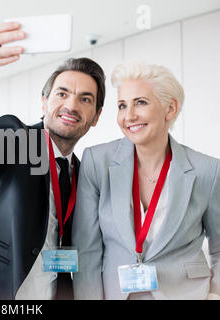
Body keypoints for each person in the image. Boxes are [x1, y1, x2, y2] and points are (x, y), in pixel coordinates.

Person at [0, 21, 105, 299]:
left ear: (96, 116)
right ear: (44, 102)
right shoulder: (17, 138)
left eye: (85, 99)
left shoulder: (83, 171)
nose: (71, 105)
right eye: (62, 93)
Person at [72, 61, 220, 300]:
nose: (129, 116)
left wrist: (214, 295)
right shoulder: (97, 162)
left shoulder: (208, 170)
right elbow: (87, 250)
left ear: (170, 109)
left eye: (140, 102)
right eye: (122, 105)